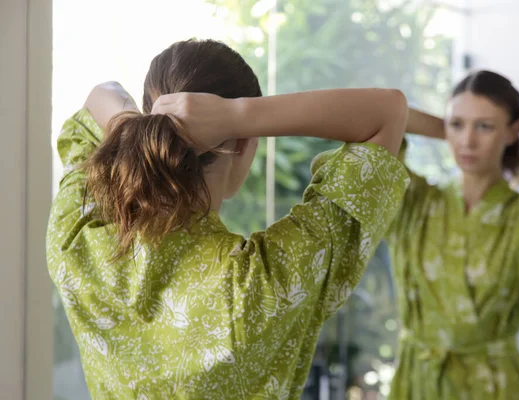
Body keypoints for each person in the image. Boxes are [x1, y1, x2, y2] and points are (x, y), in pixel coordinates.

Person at [46, 39, 410, 399]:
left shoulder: (79, 234)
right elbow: (388, 112)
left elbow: (101, 94)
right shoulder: (262, 285)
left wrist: (153, 131)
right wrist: (237, 115)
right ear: (243, 145)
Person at [386, 70, 519, 399]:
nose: (467, 141)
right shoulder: (415, 202)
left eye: (484, 126)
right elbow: (382, 114)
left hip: (495, 388)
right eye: (457, 125)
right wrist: (456, 126)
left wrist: (518, 120)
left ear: (513, 131)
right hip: (416, 383)